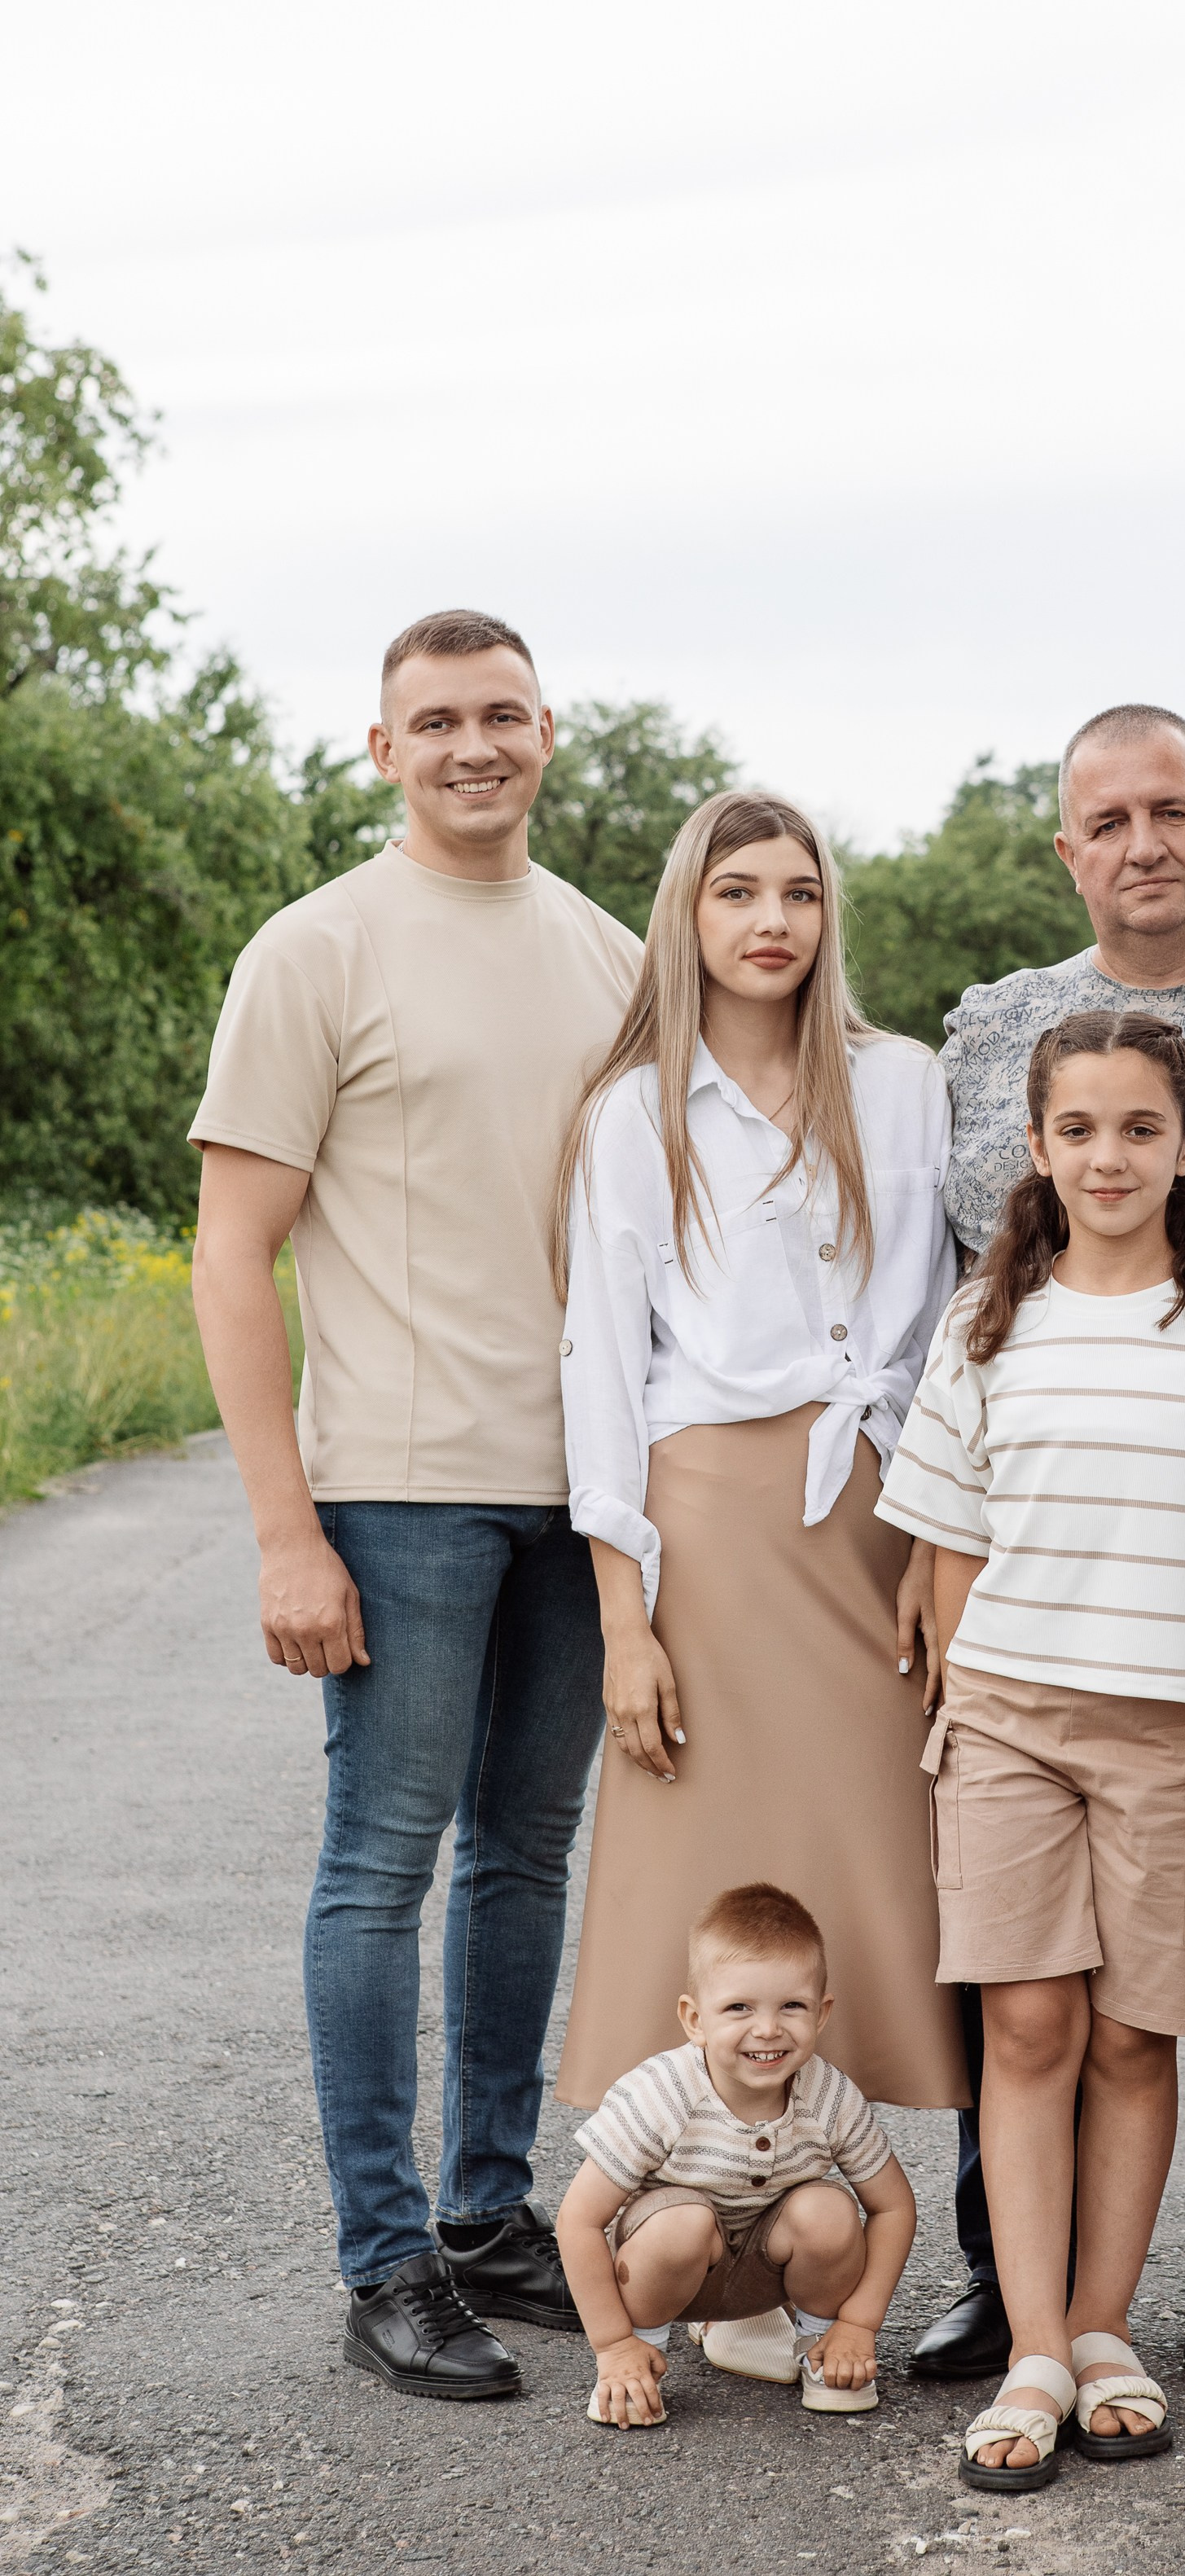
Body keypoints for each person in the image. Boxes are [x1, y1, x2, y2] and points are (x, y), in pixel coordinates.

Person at [189, 608, 643, 2399]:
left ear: (549, 734)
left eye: (504, 714)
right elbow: (233, 1257)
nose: (476, 743)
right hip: (393, 1487)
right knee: (380, 1867)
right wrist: (281, 1525)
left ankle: (484, 2210)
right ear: (380, 749)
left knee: (526, 1856)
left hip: (578, 1487)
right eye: (436, 719)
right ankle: (383, 2262)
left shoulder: (612, 954)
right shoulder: (315, 952)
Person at [913, 700, 1185, 2384]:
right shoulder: (999, 1027)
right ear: (1067, 845)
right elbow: (945, 1273)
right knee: (1016, 1977)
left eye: (1172, 808)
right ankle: (1012, 2287)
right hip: (1033, 1523)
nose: (1142, 840)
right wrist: (932, 1531)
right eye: (1108, 817)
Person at [879, 1011, 1185, 2490]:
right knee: (1029, 2033)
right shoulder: (991, 1324)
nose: (1105, 1157)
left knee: (1130, 2037)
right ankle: (1035, 2346)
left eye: (1136, 1131)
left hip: (1173, 1732)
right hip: (1008, 1725)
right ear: (1033, 1148)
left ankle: (1107, 2328)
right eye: (1076, 1131)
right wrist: (959, 1717)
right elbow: (948, 1553)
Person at [551, 787, 968, 2182]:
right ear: (688, 914)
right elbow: (600, 1368)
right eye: (737, 893)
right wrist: (623, 1622)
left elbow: (938, 1329)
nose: (770, 920)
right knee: (708, 1877)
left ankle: (824, 2226)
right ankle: (712, 2233)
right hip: (709, 1536)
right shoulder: (632, 1112)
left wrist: (930, 1537)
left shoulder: (903, 1082)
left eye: (796, 893)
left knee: (870, 1873)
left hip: (874, 1521)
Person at [556, 1882, 918, 2429]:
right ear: (694, 2018)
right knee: (682, 2221)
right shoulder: (662, 2093)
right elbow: (578, 2220)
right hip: (670, 2271)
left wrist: (858, 2325)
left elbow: (893, 2208)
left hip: (769, 2267)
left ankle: (820, 2349)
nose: (767, 2029)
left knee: (828, 2209)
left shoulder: (830, 2096)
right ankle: (638, 2364)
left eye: (791, 2006)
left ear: (821, 2014)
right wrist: (612, 2344)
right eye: (738, 2007)